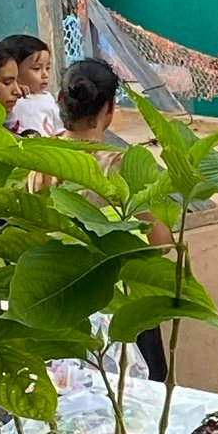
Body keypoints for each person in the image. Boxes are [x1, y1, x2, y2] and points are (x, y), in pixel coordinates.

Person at [59, 58, 172, 382]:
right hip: (119, 300)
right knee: (140, 396)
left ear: (61, 100)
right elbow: (160, 242)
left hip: (61, 297)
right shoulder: (119, 165)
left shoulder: (38, 155)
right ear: (109, 108)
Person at [0, 34, 62, 136]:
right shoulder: (10, 99)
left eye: (47, 68)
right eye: (36, 68)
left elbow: (59, 130)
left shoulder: (49, 99)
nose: (45, 74)